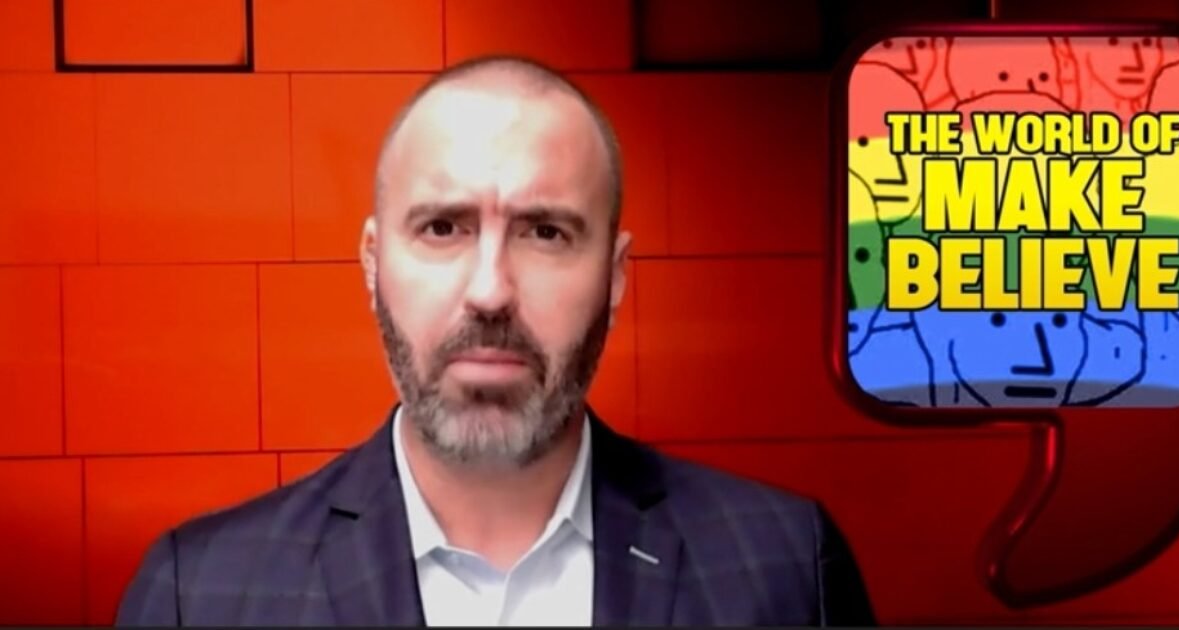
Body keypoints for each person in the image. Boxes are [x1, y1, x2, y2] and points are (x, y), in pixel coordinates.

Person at [115, 55, 876, 627]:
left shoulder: (787, 568)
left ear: (614, 275)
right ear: (374, 264)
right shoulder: (200, 593)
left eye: (545, 233)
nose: (490, 291)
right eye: (443, 227)